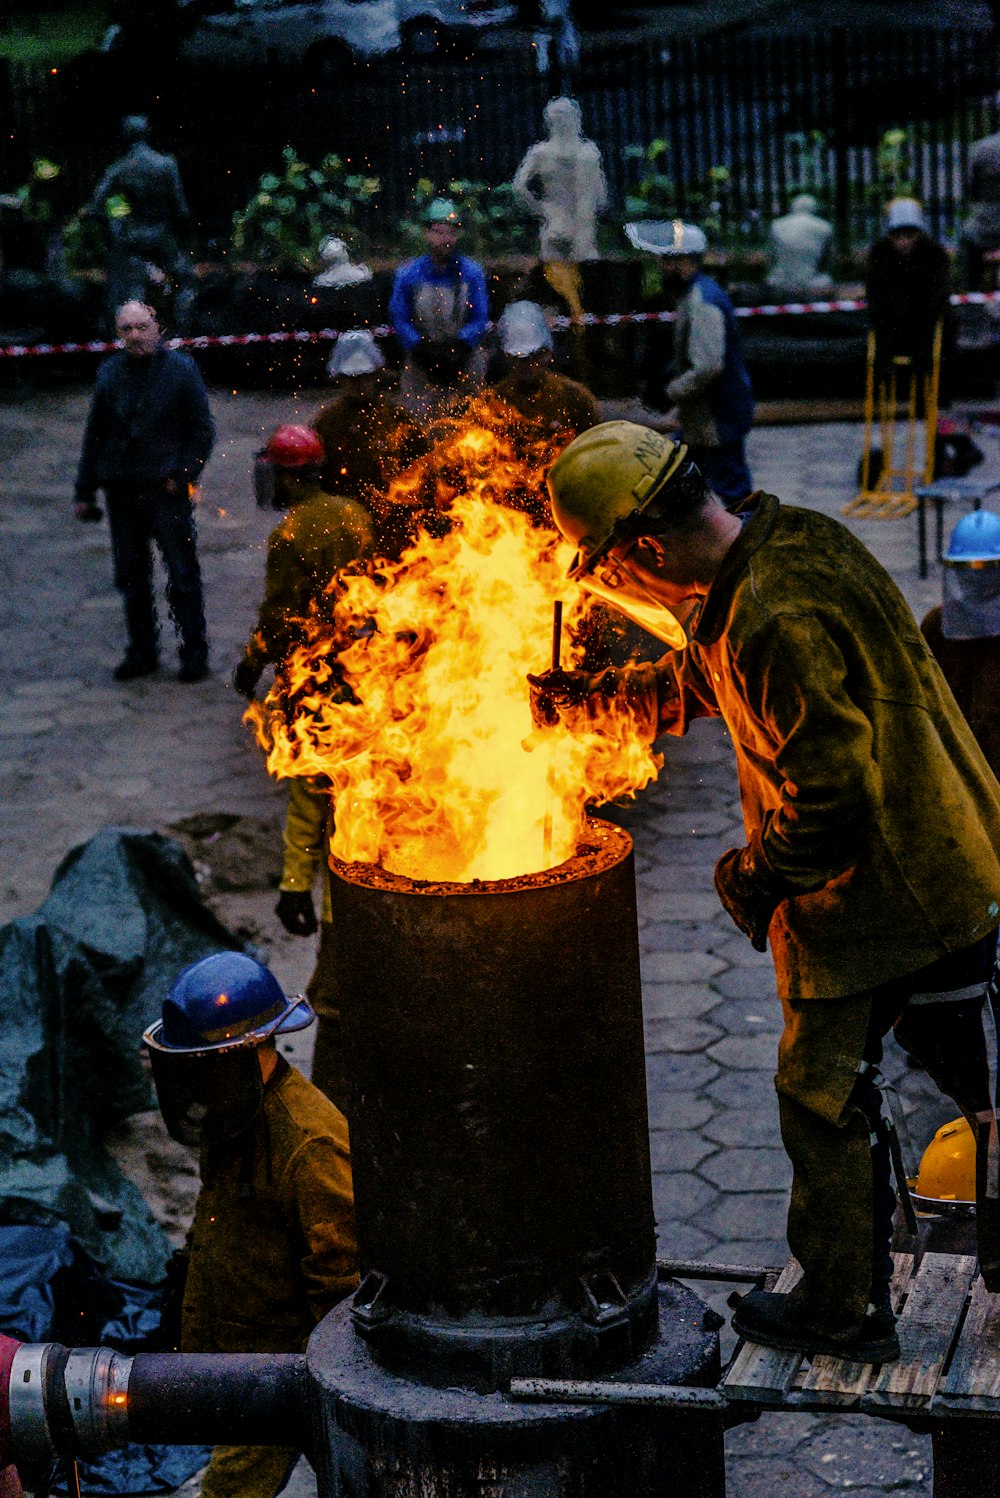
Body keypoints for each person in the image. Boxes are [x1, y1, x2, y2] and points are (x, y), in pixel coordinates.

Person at [528, 422, 1000, 1361]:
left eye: (617, 572)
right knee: (974, 1088)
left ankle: (842, 1314)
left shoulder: (770, 615)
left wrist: (754, 876)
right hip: (948, 861)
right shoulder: (791, 544)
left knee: (821, 1094)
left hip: (890, 895)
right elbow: (709, 672)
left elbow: (833, 797)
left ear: (649, 547)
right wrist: (601, 703)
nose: (625, 591)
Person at [144, 951, 357, 1498]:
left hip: (281, 1366)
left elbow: (340, 1279)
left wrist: (330, 1387)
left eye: (202, 1062)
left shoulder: (309, 1144)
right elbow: (216, 1222)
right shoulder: (232, 1113)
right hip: (239, 1351)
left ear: (249, 1049)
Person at [74, 300, 215, 682]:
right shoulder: (110, 374)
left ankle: (194, 653)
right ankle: (142, 651)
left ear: (158, 328)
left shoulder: (181, 372)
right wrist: (84, 489)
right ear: (119, 334)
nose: (135, 336)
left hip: (165, 490)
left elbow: (201, 430)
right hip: (122, 491)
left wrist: (185, 473)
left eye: (141, 327)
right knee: (131, 576)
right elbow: (96, 434)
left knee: (182, 574)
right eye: (126, 329)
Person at [233, 423, 374, 699]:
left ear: (287, 478)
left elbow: (279, 614)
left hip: (318, 656)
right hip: (363, 645)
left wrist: (251, 665)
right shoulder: (354, 511)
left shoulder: (289, 535)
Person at [626, 220, 754, 508]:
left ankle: (751, 543)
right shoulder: (695, 295)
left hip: (717, 415)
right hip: (706, 415)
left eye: (665, 260)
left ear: (682, 260)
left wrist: (673, 391)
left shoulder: (701, 301)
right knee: (686, 480)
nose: (660, 267)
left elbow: (707, 366)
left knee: (734, 493)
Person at [311, 329, 427, 559]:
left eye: (364, 377)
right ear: (340, 378)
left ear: (376, 375)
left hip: (393, 532)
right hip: (344, 531)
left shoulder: (397, 419)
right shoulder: (325, 424)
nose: (359, 384)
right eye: (352, 379)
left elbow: (423, 471)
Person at [83, 114, 196, 333]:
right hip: (162, 235)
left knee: (126, 289)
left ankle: (126, 334)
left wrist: (116, 224)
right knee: (185, 281)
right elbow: (182, 210)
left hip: (133, 237)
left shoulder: (119, 168)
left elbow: (94, 207)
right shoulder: (166, 164)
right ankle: (182, 330)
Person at [389, 198, 489, 423]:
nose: (445, 239)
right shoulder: (408, 275)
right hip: (421, 361)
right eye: (438, 232)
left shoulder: (472, 273)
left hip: (464, 359)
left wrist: (461, 345)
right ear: (426, 234)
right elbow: (399, 318)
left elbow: (480, 317)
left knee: (470, 423)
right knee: (420, 425)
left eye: (451, 233)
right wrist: (421, 347)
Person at [921, 509, 1000, 782]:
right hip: (956, 771)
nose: (979, 583)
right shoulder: (937, 625)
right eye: (970, 573)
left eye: (987, 573)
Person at [511, 96, 606, 263]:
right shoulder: (589, 153)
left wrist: (541, 210)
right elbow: (601, 199)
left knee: (555, 280)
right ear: (576, 118)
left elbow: (519, 187)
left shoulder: (541, 153)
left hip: (556, 223)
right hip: (582, 227)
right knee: (584, 279)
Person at [491, 300, 599, 440]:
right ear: (508, 358)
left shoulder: (575, 398)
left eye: (535, 356)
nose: (529, 364)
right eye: (521, 358)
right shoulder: (497, 400)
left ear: (548, 353)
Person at [865, 197, 951, 373]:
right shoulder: (880, 254)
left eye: (909, 235)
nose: (903, 242)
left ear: (919, 234)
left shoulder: (934, 254)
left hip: (923, 324)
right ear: (890, 235)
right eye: (897, 236)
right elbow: (875, 292)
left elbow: (939, 293)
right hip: (889, 323)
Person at [767, 193, 833, 298]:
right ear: (814, 208)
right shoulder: (825, 227)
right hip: (811, 283)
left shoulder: (776, 225)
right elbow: (827, 260)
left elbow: (771, 257)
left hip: (780, 282)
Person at [961, 122, 1000, 290]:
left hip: (985, 225)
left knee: (968, 240)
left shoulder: (981, 148)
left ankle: (969, 293)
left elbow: (972, 189)